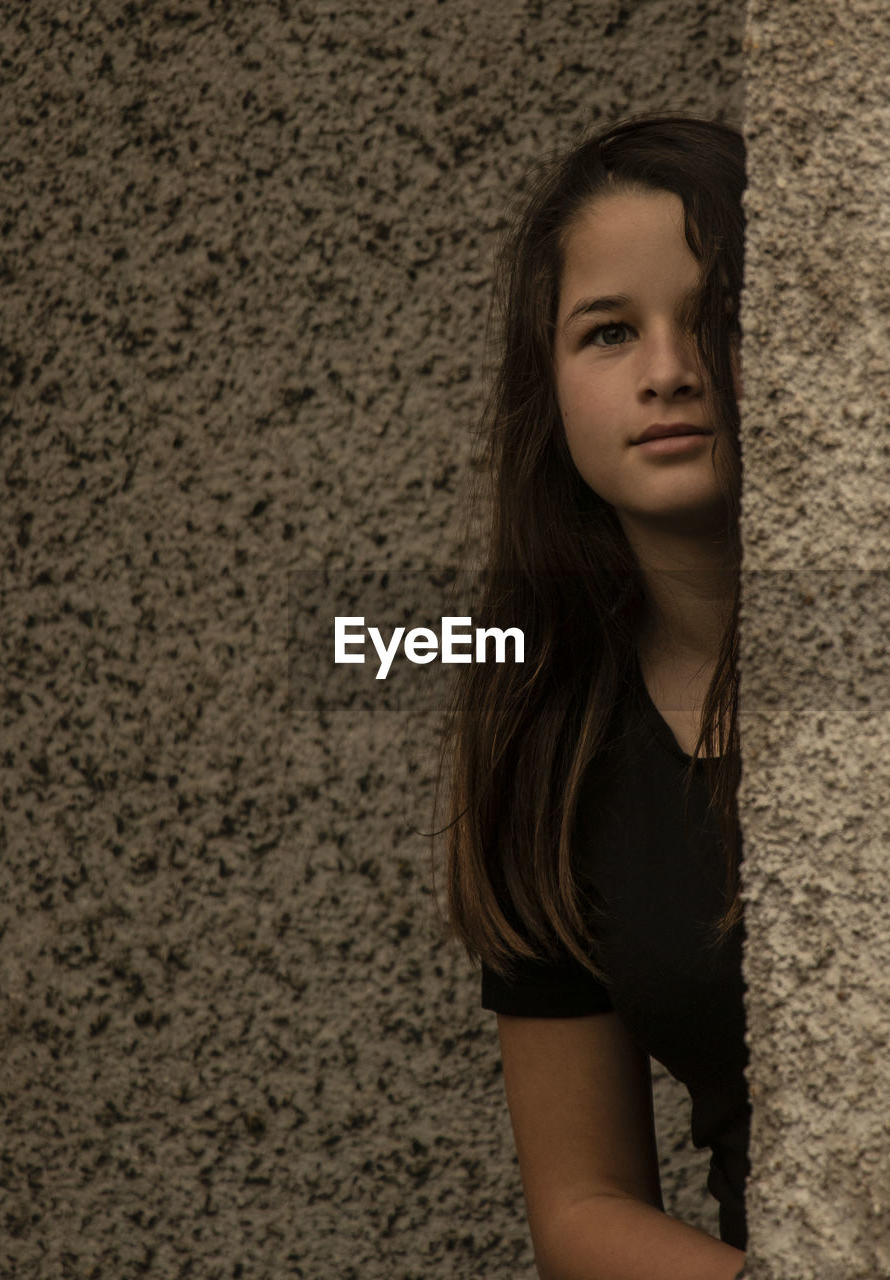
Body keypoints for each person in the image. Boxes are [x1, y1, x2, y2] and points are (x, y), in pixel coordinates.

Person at [443, 114, 749, 1280]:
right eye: (609, 331)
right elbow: (580, 1204)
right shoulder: (543, 737)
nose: (668, 368)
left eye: (716, 317)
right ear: (548, 385)